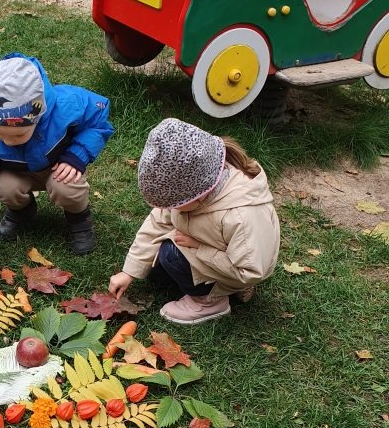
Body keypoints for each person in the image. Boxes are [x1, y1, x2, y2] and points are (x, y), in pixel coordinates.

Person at [108, 118, 280, 325]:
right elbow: (157, 223)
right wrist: (129, 271)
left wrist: (200, 248)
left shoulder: (241, 215)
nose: (169, 210)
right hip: (214, 255)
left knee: (170, 255)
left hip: (238, 267)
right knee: (156, 272)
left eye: (174, 205)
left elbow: (250, 270)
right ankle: (217, 285)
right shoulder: (196, 188)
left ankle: (210, 302)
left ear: (199, 194)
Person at [0, 54, 112, 266]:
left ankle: (79, 219)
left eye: (18, 135)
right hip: (19, 173)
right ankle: (22, 210)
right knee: (3, 187)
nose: (8, 142)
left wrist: (78, 154)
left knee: (66, 186)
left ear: (38, 116)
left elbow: (99, 120)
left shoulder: (68, 105)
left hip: (58, 168)